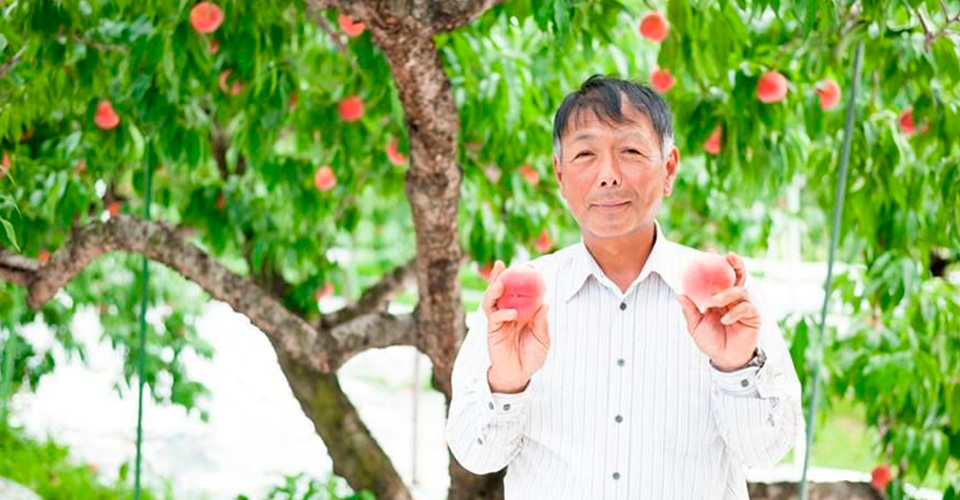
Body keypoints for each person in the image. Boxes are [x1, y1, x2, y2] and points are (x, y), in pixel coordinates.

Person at [445, 75, 804, 499]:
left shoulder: (724, 300)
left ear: (669, 168)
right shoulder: (518, 305)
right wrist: (506, 382)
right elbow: (475, 455)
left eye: (630, 151)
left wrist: (735, 368)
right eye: (584, 154)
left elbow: (767, 452)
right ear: (560, 175)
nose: (608, 175)